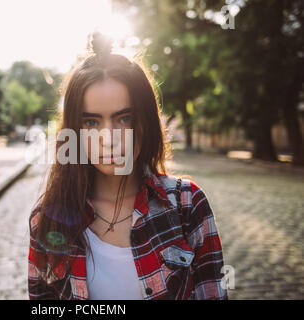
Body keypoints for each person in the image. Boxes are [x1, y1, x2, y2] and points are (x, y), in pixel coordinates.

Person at [27, 32, 228, 300]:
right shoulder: (48, 219)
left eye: (123, 119)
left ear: (144, 122)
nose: (108, 139)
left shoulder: (188, 205)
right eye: (91, 122)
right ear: (74, 131)